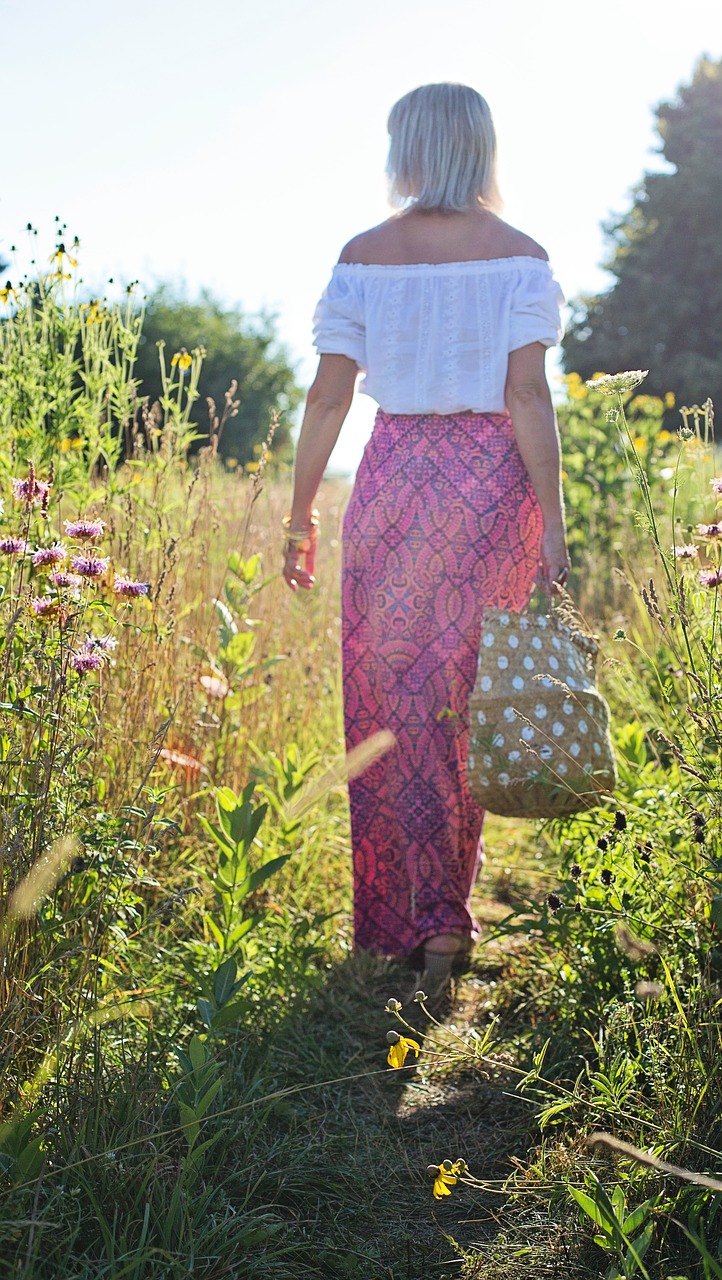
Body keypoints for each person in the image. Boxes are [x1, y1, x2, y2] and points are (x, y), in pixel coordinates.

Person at [283, 82, 569, 997]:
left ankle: (404, 920)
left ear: (404, 148)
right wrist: (554, 523)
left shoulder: (363, 257)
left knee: (387, 700)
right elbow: (527, 398)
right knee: (458, 702)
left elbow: (328, 398)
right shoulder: (519, 257)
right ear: (482, 148)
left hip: (394, 480)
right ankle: (444, 922)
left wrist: (298, 514)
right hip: (489, 489)